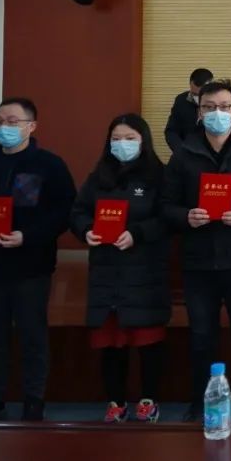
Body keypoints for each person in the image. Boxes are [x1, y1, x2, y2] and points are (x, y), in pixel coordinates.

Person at [161, 79, 231, 424]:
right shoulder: (183, 155)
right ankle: (200, 405)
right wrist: (186, 216)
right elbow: (165, 205)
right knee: (201, 338)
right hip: (198, 262)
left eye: (224, 107)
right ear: (199, 113)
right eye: (209, 107)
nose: (217, 113)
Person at [0, 97, 76, 421]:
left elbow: (63, 212)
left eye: (12, 122)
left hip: (30, 267)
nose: (3, 127)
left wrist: (27, 236)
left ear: (31, 126)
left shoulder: (49, 165)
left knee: (32, 335)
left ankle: (34, 400)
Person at [70, 113, 170, 423]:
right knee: (111, 342)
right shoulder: (98, 176)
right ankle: (115, 402)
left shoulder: (158, 176)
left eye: (129, 139)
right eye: (116, 139)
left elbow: (167, 218)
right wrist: (86, 229)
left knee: (147, 339)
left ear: (143, 141)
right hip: (106, 270)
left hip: (144, 271)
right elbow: (78, 211)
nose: (122, 144)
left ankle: (149, 400)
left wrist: (137, 234)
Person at [164, 68, 213, 153]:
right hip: (185, 152)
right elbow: (171, 131)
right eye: (194, 94)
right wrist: (181, 151)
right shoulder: (181, 100)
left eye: (202, 94)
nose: (198, 98)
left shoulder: (223, 103)